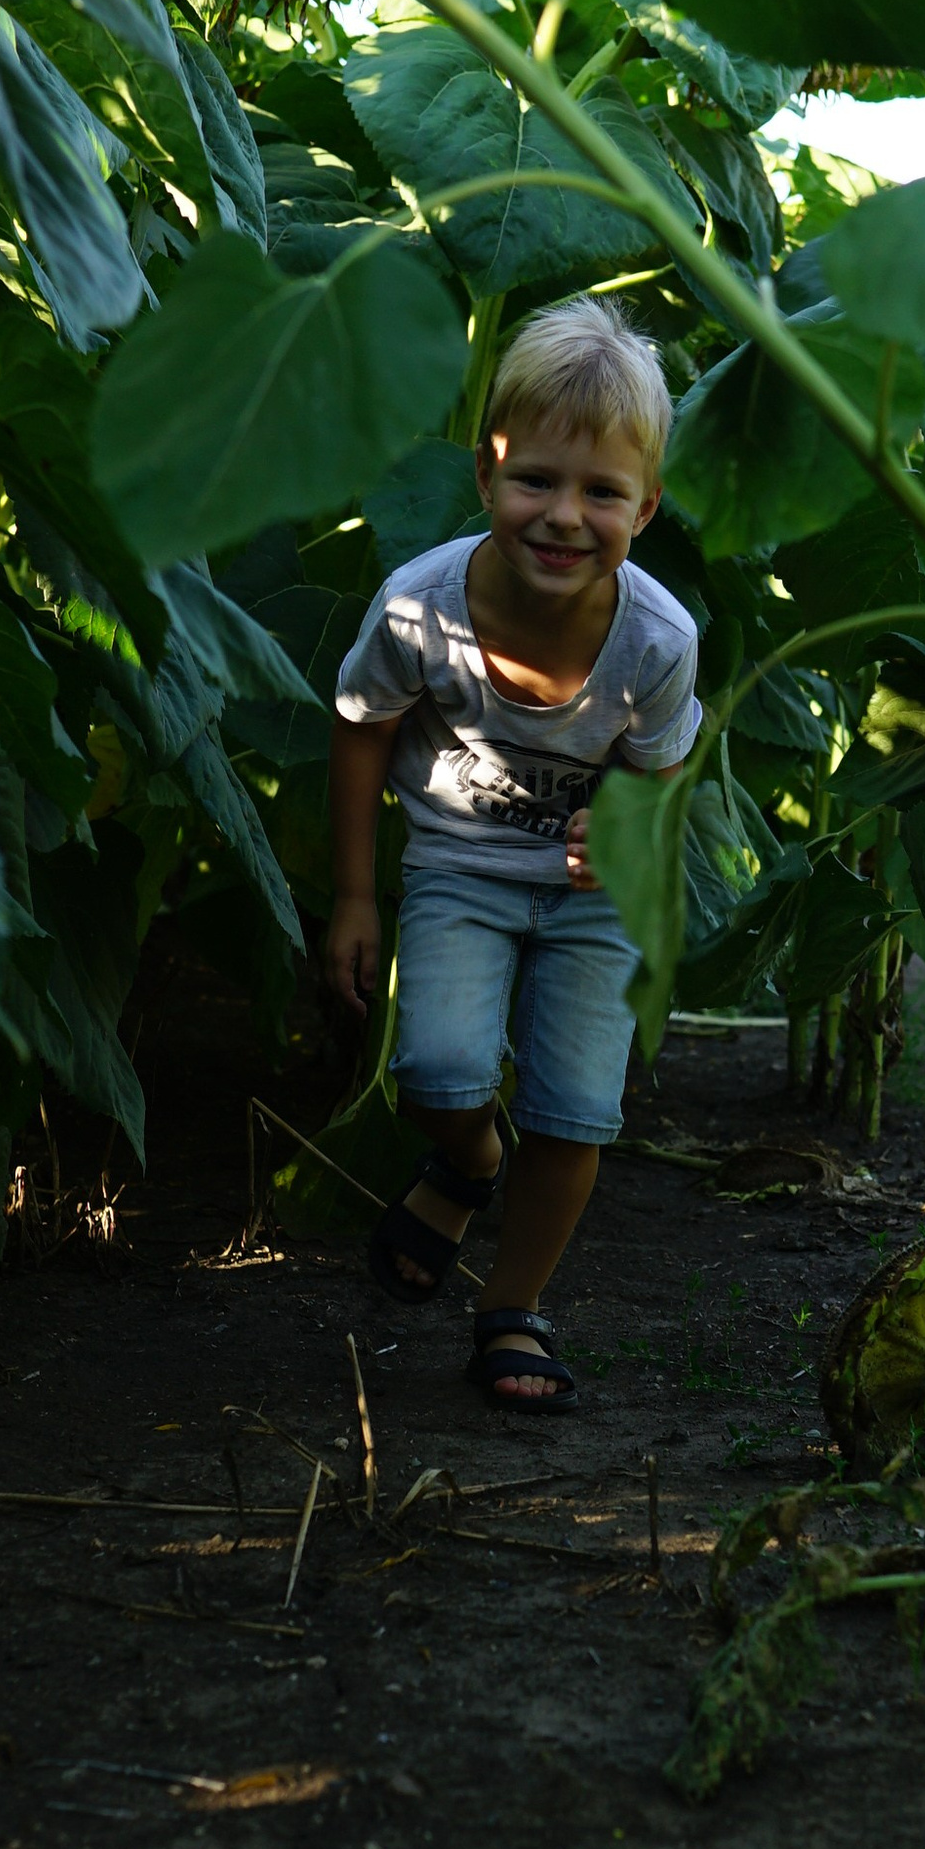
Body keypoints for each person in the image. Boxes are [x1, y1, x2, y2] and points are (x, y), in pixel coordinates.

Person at [325, 297, 699, 1412]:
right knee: (439, 1070)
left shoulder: (657, 640)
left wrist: (624, 827)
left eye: (601, 492)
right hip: (459, 866)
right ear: (486, 474)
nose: (564, 516)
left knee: (576, 1111)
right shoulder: (420, 606)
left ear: (647, 505)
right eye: (535, 479)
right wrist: (353, 894)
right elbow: (360, 726)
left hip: (594, 899)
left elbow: (665, 766)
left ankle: (513, 1307)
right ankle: (465, 1163)